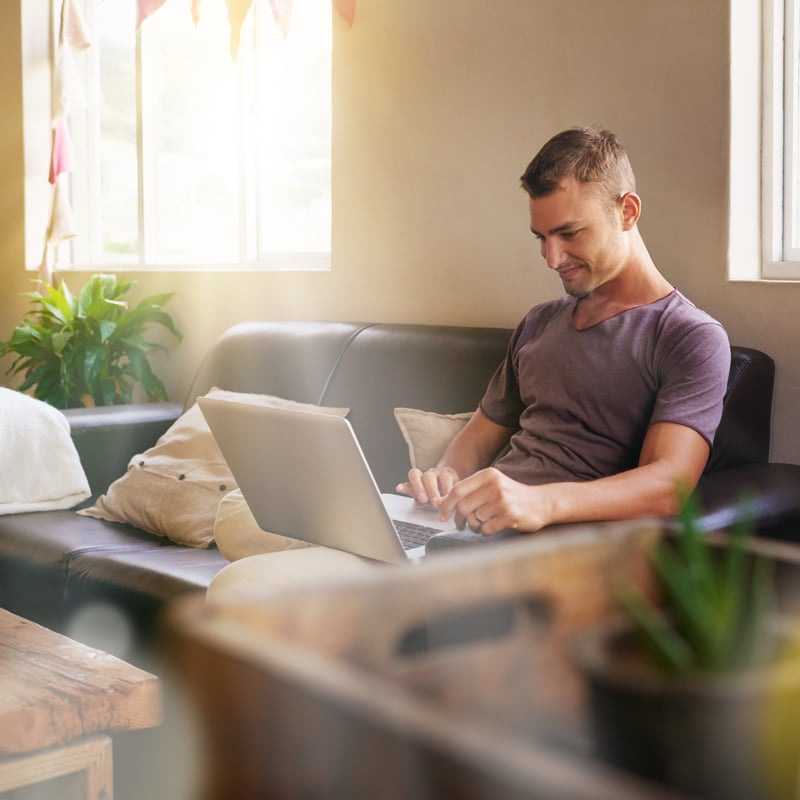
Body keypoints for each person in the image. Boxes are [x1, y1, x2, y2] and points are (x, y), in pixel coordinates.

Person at [397, 126, 731, 536]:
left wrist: (541, 502)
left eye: (569, 233)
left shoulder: (688, 336)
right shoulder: (539, 322)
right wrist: (446, 476)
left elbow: (669, 486)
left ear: (627, 211)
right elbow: (477, 441)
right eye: (542, 237)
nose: (552, 258)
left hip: (559, 545)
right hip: (473, 532)